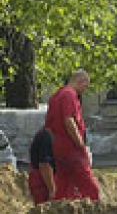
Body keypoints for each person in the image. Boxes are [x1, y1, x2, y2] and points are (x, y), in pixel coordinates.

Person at [44, 69, 100, 201]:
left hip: (58, 149)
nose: (83, 91)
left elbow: (49, 126)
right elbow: (69, 120)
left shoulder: (55, 97)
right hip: (72, 149)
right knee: (90, 188)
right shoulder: (69, 95)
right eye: (85, 86)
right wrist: (81, 144)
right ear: (81, 81)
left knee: (63, 187)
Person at [28, 127, 57, 204]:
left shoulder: (45, 134)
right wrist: (51, 189)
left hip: (41, 176)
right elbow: (44, 165)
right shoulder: (47, 136)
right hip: (42, 179)